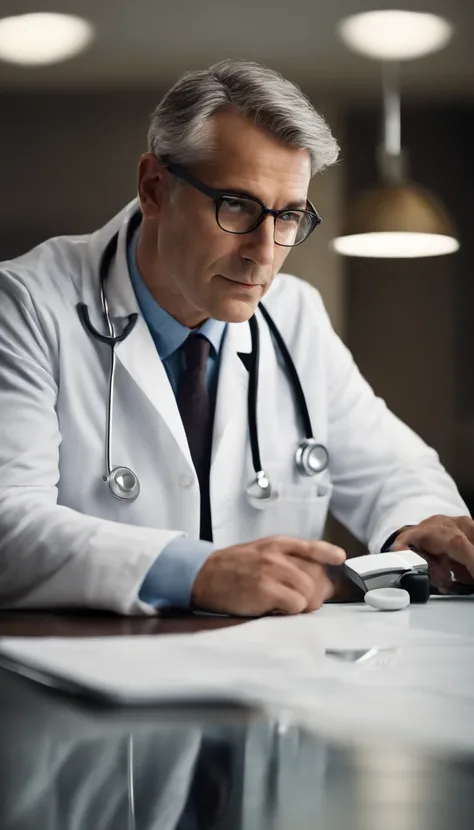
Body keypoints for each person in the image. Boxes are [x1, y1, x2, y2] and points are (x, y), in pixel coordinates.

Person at [0, 60, 472, 617]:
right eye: (238, 206)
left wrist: (419, 523)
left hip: (267, 674)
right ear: (155, 188)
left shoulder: (294, 314)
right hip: (83, 670)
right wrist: (195, 570)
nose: (264, 253)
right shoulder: (26, 304)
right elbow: (8, 524)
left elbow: (395, 468)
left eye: (289, 216)